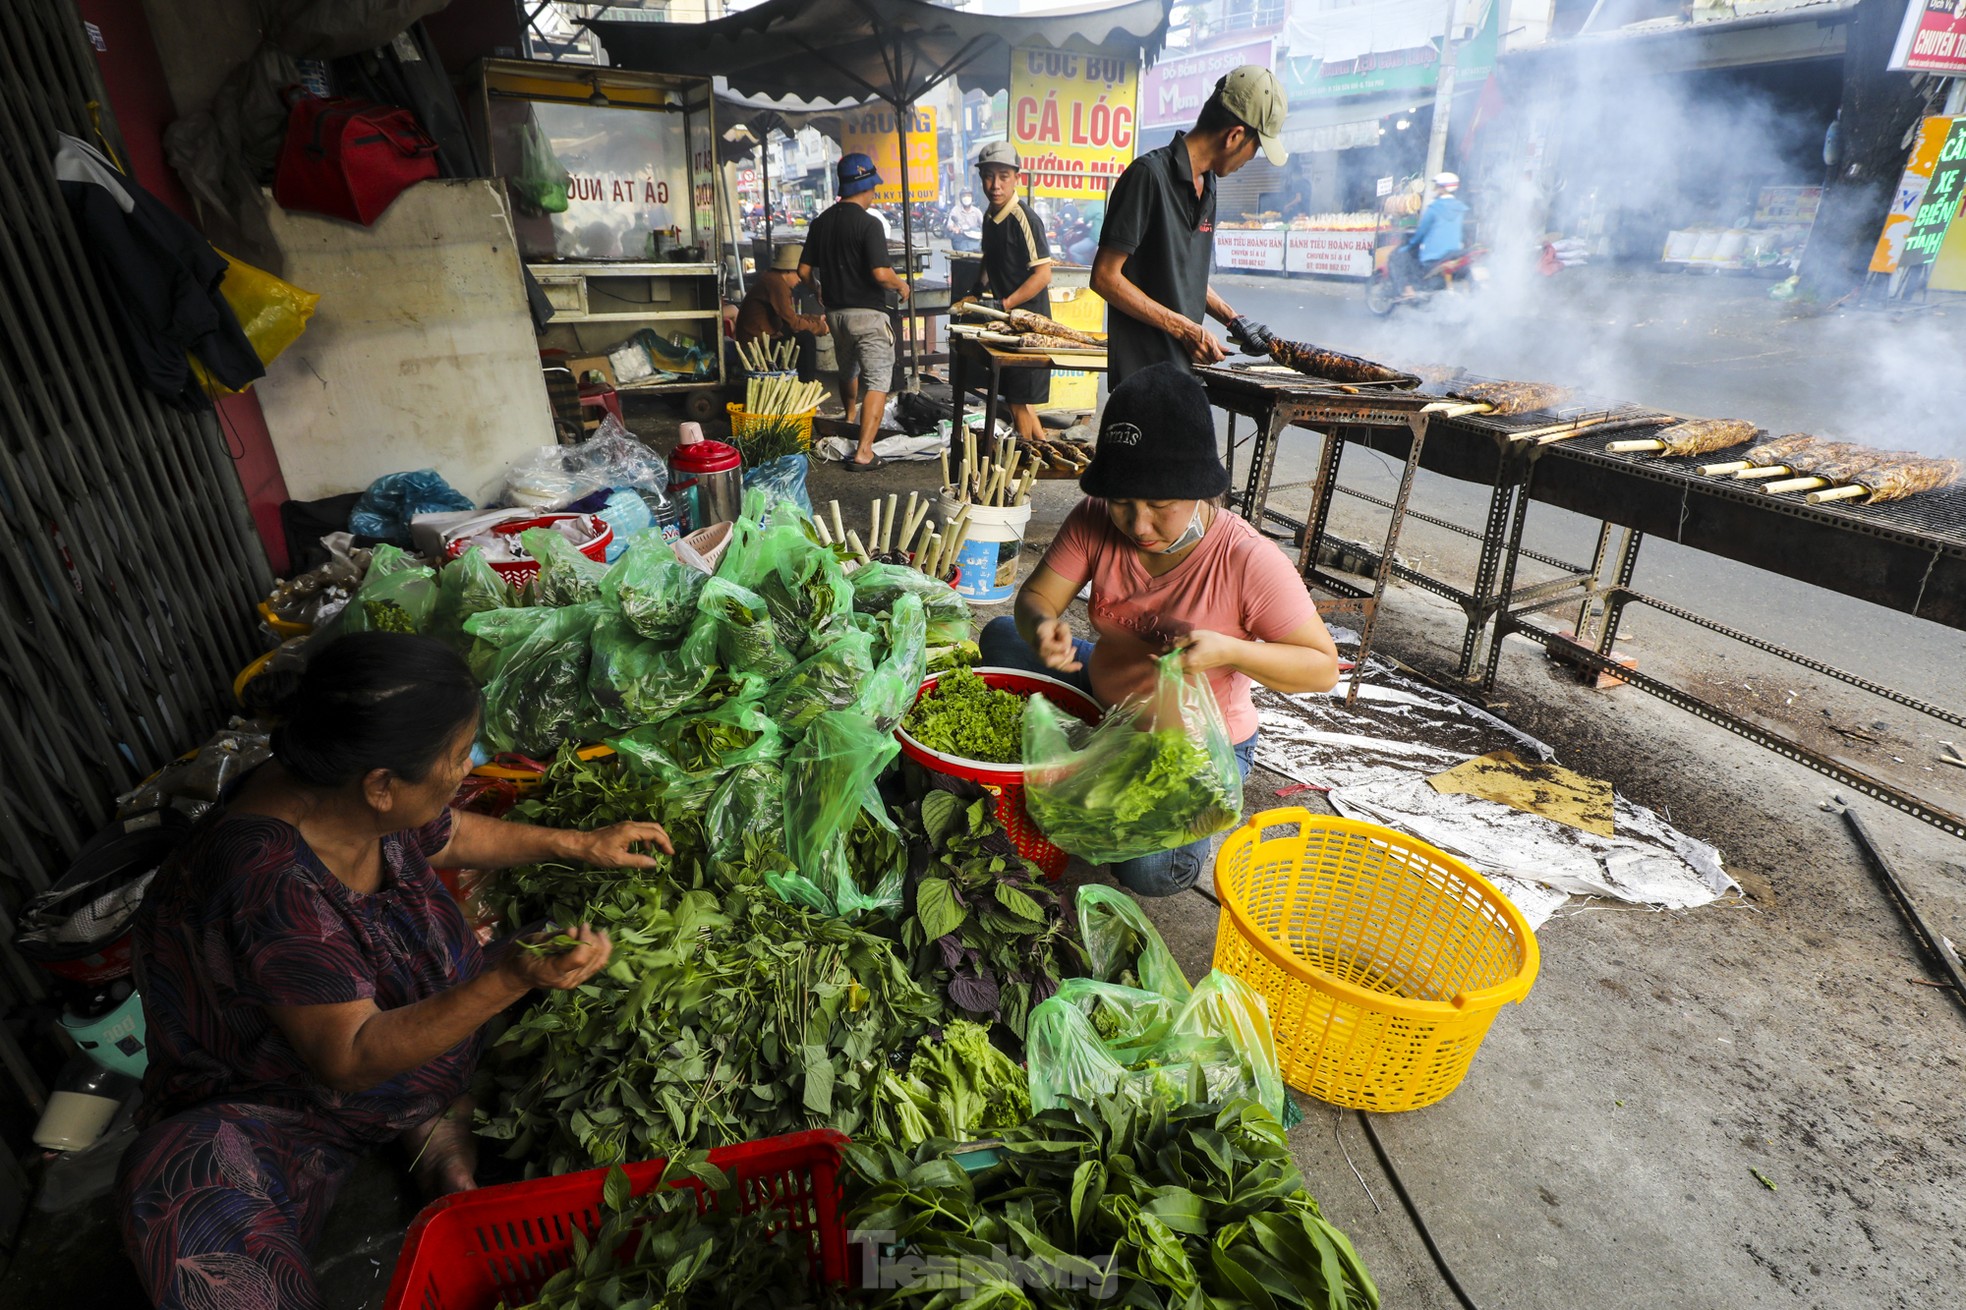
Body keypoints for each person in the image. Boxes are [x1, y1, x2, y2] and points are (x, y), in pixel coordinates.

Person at [117, 633, 671, 1309]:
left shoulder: (341, 781)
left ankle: (435, 1132)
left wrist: (581, 845)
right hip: (290, 1099)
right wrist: (506, 982)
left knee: (607, 954)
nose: (466, 768)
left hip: (403, 1019)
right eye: (454, 757)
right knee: (186, 1199)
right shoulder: (267, 882)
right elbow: (349, 1057)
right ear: (382, 786)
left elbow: (450, 833)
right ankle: (431, 1127)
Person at [978, 364, 1341, 895]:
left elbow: (1322, 668)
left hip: (1191, 741)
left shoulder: (1247, 559)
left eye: (1159, 506)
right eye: (1123, 503)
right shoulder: (1095, 518)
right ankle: (1093, 733)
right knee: (1001, 637)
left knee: (1148, 872)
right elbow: (1035, 600)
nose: (1139, 524)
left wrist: (1230, 651)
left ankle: (1184, 844)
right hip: (1106, 695)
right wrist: (1043, 630)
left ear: (1198, 492)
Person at [1093, 66, 1288, 385]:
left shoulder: (1209, 185)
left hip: (1183, 375)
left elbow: (1183, 273)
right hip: (1141, 378)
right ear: (1235, 136)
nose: (1250, 160)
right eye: (1256, 149)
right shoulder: (1148, 176)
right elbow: (1104, 277)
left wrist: (1234, 320)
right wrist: (1184, 328)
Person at [800, 152, 911, 471]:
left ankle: (850, 418)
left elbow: (803, 270)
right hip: (868, 316)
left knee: (848, 369)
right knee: (878, 379)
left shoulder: (821, 223)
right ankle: (864, 451)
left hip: (836, 316)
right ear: (868, 186)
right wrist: (901, 285)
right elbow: (880, 273)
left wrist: (818, 289)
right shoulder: (870, 223)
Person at [973, 141, 1055, 446]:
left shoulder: (1025, 218)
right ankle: (1043, 456)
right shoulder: (988, 217)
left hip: (1031, 325)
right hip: (1008, 323)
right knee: (1020, 400)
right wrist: (975, 290)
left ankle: (1024, 471)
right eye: (989, 176)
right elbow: (988, 257)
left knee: (1019, 402)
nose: (995, 185)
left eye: (1003, 176)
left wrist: (1005, 303)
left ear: (1017, 177)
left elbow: (1043, 274)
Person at [733, 242, 828, 382]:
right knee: (806, 338)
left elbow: (790, 316)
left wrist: (816, 319)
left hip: (762, 340)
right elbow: (794, 323)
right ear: (789, 270)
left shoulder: (773, 279)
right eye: (798, 274)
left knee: (798, 335)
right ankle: (805, 386)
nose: (800, 279)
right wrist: (820, 327)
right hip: (755, 348)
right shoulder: (775, 284)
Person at [1392, 172, 1470, 296]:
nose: (1436, 189)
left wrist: (1410, 244)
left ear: (1443, 188)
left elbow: (1421, 233)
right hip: (1454, 254)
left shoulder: (1434, 209)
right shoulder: (1460, 209)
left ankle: (1408, 290)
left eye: (1437, 186)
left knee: (1398, 255)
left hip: (1433, 256)